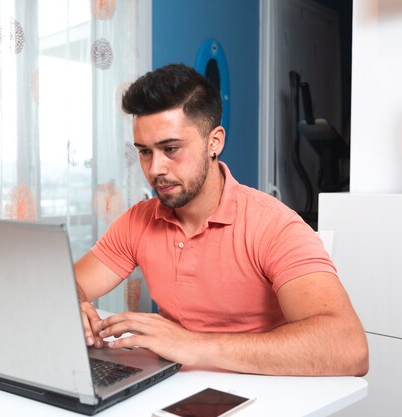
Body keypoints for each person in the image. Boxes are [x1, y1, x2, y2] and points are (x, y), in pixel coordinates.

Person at [75, 63, 368, 376]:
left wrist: (194, 344)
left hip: (264, 394)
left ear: (214, 142)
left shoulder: (275, 226)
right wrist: (74, 306)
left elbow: (349, 348)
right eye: (145, 152)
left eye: (171, 148)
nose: (155, 168)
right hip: (177, 388)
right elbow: (71, 284)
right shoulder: (139, 220)